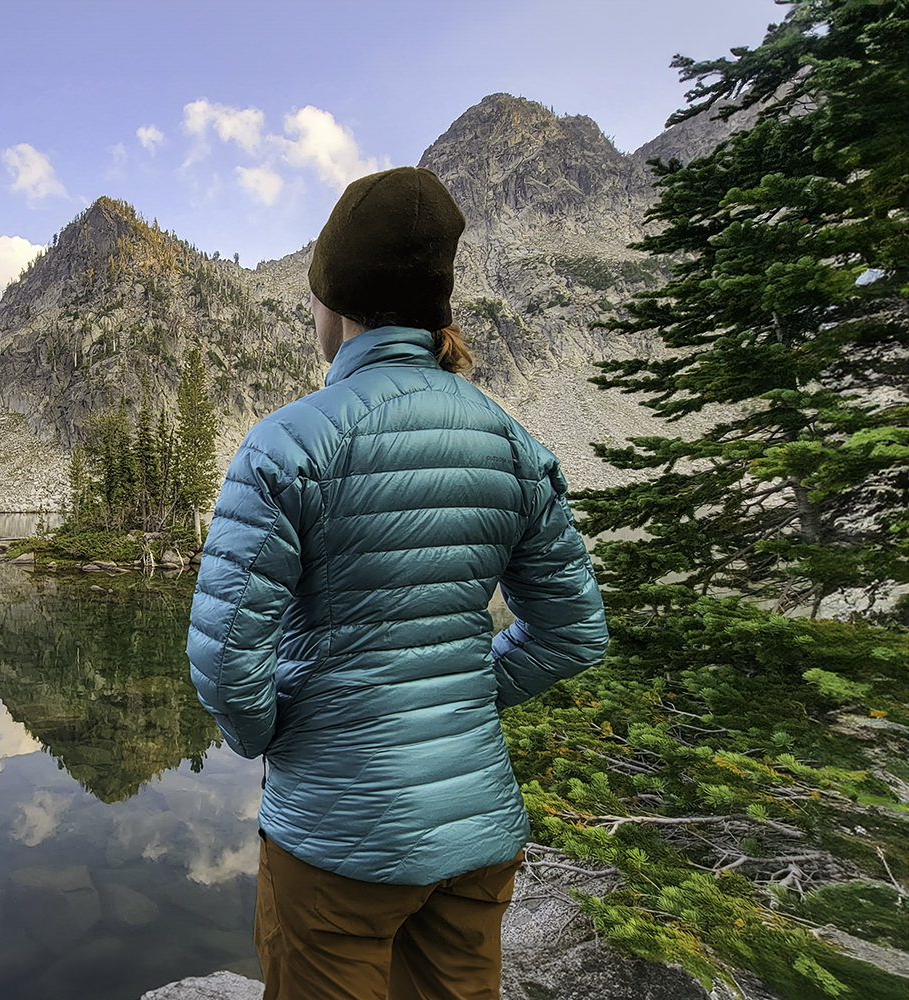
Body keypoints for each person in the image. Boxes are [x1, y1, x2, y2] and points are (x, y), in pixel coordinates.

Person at [186, 166, 609, 1000]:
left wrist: (280, 726)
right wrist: (459, 693)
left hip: (338, 842)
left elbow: (228, 668)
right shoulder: (515, 445)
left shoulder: (286, 446)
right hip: (477, 837)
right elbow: (573, 632)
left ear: (336, 304)